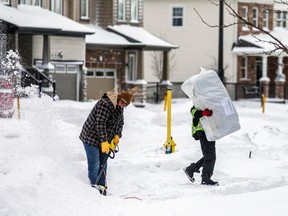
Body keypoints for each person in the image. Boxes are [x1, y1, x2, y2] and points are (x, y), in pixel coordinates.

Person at [79, 90, 133, 195]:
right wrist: (104, 141)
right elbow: (100, 123)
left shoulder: (119, 107)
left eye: (125, 106)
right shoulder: (105, 104)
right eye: (122, 103)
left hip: (105, 140)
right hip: (91, 137)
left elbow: (120, 123)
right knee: (95, 164)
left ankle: (102, 187)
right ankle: (93, 190)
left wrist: (117, 135)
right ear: (119, 98)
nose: (122, 107)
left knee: (103, 164)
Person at [183, 106, 219, 186]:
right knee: (210, 156)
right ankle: (205, 178)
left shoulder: (209, 103)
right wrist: (203, 113)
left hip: (210, 131)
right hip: (202, 132)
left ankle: (191, 169)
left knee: (209, 155)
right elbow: (193, 112)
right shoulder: (198, 103)